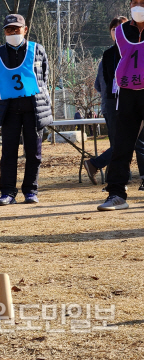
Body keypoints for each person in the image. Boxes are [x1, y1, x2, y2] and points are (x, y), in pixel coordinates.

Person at [0, 14, 52, 206]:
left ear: (25, 30)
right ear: (4, 32)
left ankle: (31, 191)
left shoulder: (38, 50)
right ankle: (7, 192)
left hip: (33, 110)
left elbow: (44, 76)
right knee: (8, 153)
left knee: (34, 153)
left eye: (17, 29)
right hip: (9, 111)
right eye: (9, 30)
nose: (13, 32)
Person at [98, 1, 144, 210]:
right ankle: (116, 194)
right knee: (122, 144)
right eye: (135, 2)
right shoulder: (121, 32)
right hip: (127, 94)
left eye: (142, 3)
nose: (138, 6)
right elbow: (114, 64)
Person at [85, 17, 128, 186]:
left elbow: (97, 85)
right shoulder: (108, 55)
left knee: (122, 142)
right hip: (113, 104)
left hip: (120, 103)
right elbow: (100, 84)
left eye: (121, 28)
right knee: (122, 143)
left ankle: (114, 175)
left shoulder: (131, 50)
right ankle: (98, 166)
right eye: (113, 29)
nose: (117, 32)